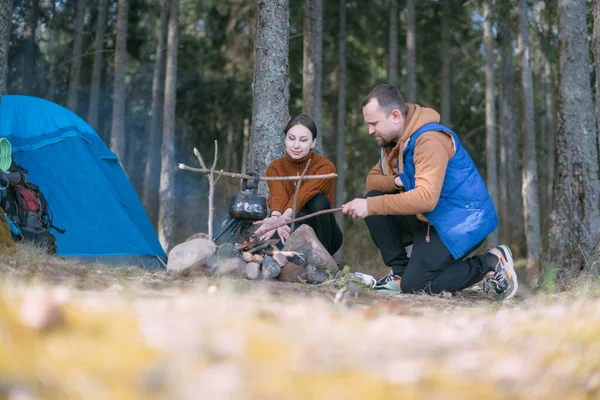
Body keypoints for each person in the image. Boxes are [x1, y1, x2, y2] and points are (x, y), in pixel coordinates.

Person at [341, 84, 518, 299]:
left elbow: (426, 199)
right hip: (432, 219)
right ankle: (400, 274)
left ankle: (490, 262)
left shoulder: (429, 140)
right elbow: (372, 182)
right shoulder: (393, 145)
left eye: (374, 123)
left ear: (395, 115)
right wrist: (399, 181)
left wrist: (369, 207)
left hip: (462, 222)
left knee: (415, 286)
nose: (370, 130)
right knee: (373, 198)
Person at [253, 114, 343, 255]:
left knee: (317, 200)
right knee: (274, 249)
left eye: (303, 140)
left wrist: (284, 217)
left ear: (313, 142)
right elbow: (278, 195)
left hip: (325, 233)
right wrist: (276, 218)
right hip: (291, 228)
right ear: (285, 139)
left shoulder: (325, 167)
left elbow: (304, 193)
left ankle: (323, 260)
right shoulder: (275, 167)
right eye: (291, 138)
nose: (296, 145)